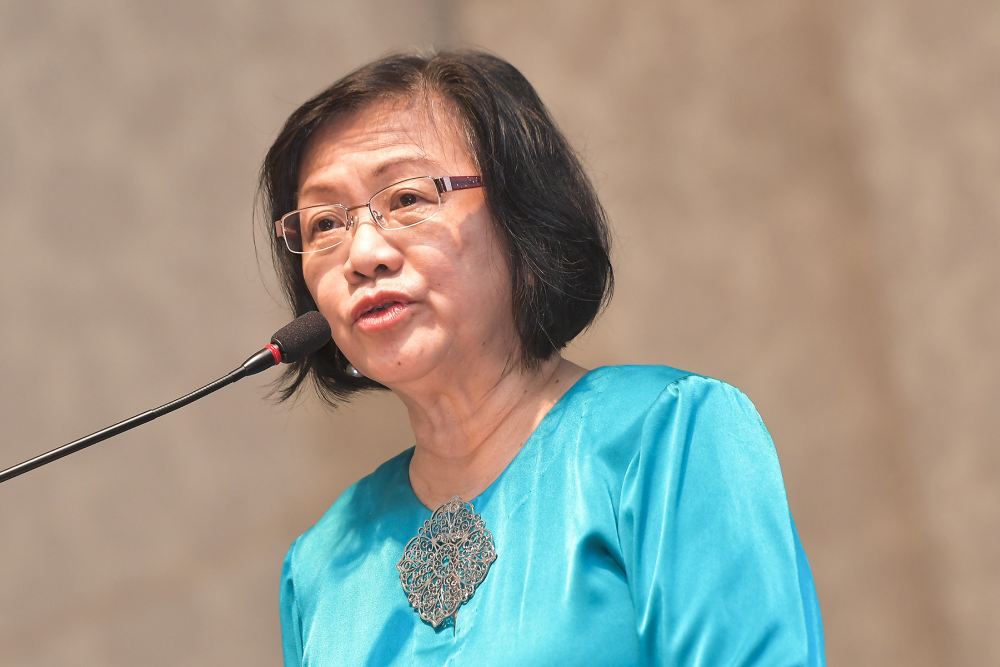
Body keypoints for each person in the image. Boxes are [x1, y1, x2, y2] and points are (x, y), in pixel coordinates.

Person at [260, 50, 825, 666]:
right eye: (323, 225)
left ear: (519, 216)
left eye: (407, 198)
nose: (364, 252)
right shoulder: (320, 566)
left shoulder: (664, 437)